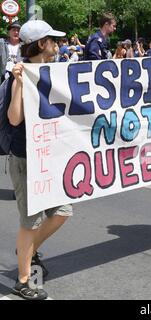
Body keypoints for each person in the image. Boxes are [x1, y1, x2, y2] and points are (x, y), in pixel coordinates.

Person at [8, 19, 73, 300]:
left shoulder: (54, 72)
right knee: (30, 221)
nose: (58, 45)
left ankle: (27, 250)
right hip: (26, 158)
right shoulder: (21, 75)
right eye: (53, 40)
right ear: (41, 44)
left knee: (62, 211)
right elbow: (14, 118)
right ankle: (23, 280)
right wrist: (20, 83)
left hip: (49, 157)